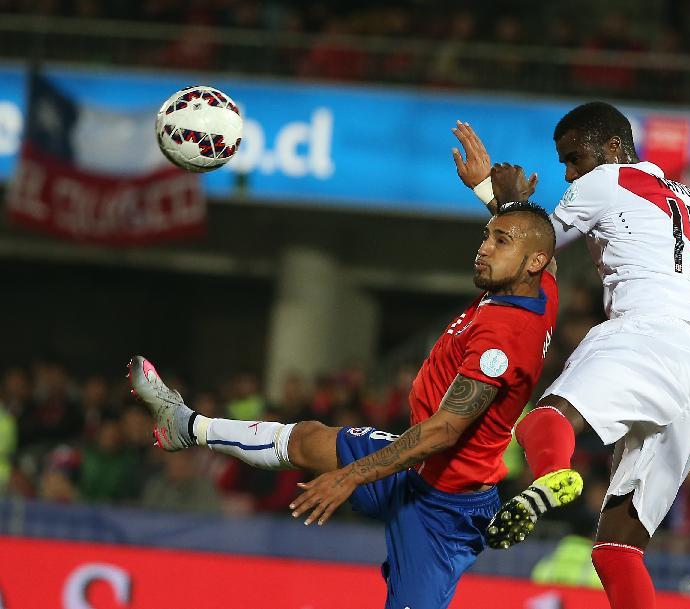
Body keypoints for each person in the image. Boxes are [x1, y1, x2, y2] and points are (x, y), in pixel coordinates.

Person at [128, 201, 572, 609]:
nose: (483, 248)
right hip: (413, 468)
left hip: (446, 510)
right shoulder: (539, 287)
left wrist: (349, 477)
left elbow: (442, 432)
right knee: (306, 440)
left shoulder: (505, 337)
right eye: (487, 235)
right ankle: (184, 425)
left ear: (530, 262)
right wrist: (489, 191)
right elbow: (539, 242)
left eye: (499, 241)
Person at [451, 104, 690, 609]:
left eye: (574, 158)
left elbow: (533, 248)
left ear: (611, 148)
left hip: (644, 333)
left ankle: (551, 477)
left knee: (541, 423)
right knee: (617, 550)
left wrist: (493, 196)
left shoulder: (607, 180)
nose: (569, 173)